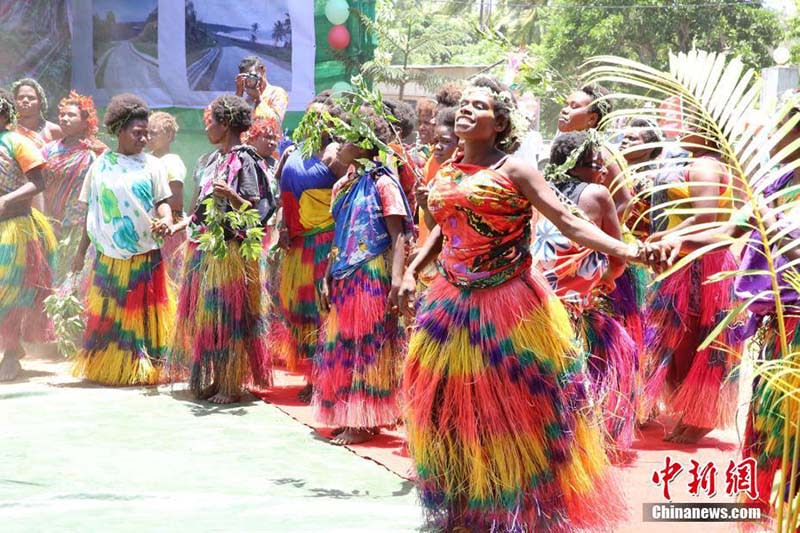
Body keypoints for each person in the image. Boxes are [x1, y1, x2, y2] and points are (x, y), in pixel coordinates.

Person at [398, 75, 637, 531]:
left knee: (509, 418)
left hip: (508, 307)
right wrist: (412, 271)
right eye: (464, 104)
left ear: (500, 122)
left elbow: (568, 221)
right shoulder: (447, 170)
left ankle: (518, 512)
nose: (466, 110)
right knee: (447, 412)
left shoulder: (516, 171)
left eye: (479, 106)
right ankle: (464, 505)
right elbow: (443, 230)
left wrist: (627, 250)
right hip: (449, 305)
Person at [646, 93, 800, 514]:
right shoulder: (775, 184)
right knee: (777, 427)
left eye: (781, 124)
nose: (771, 135)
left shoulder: (721, 171)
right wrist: (675, 239)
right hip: (780, 327)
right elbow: (730, 229)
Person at [312, 105, 414, 445]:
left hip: (370, 272)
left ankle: (362, 418)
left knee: (367, 345)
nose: (339, 142)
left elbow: (399, 234)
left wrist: (398, 279)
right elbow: (340, 233)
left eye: (347, 137)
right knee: (343, 345)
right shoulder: (343, 183)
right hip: (342, 272)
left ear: (365, 143)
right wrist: (327, 273)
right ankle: (349, 414)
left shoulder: (384, 182)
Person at [532, 131, 637, 452]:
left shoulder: (540, 190)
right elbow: (618, 256)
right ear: (582, 164)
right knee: (588, 369)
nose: (604, 172)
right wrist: (608, 278)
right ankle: (578, 444)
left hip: (534, 301)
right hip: (576, 307)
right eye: (598, 164)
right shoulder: (597, 194)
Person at [170, 94, 274, 404]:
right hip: (205, 251)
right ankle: (214, 379)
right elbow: (199, 208)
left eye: (212, 122)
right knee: (209, 320)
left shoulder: (247, 161)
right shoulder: (211, 160)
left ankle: (231, 384)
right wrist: (180, 226)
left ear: (226, 123)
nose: (208, 128)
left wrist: (231, 195)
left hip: (230, 252)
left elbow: (258, 213)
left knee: (229, 319)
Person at [642, 121, 742, 443]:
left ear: (711, 129)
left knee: (692, 337)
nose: (685, 127)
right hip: (695, 259)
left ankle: (699, 415)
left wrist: (666, 236)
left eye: (694, 122)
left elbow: (706, 217)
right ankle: (693, 412)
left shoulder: (704, 165)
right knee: (692, 338)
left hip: (699, 263)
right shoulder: (705, 162)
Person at [70, 94, 175, 386]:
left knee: (142, 316)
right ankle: (110, 366)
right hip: (108, 257)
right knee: (111, 315)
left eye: (147, 134)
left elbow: (163, 202)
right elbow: (91, 211)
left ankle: (143, 367)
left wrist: (166, 220)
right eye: (137, 133)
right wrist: (81, 252)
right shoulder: (100, 166)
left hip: (144, 255)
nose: (143, 139)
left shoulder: (153, 166)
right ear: (119, 130)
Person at [270, 100, 346, 402]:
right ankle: (311, 374)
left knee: (321, 314)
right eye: (310, 114)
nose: (314, 120)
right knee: (297, 311)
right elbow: (281, 197)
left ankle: (323, 379)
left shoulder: (335, 155)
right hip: (296, 244)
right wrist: (283, 227)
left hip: (323, 243)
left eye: (322, 117)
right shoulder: (292, 151)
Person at [0, 89, 56, 382]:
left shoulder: (17, 142)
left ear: (4, 115)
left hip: (14, 229)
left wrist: (8, 200)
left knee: (9, 293)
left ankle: (11, 351)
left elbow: (39, 181)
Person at [41, 91, 106, 269]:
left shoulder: (95, 152)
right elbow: (40, 187)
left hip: (80, 227)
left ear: (86, 121)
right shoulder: (48, 150)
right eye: (62, 114)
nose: (64, 118)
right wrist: (46, 220)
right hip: (49, 222)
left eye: (71, 115)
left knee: (74, 272)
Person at [557, 83, 632, 218]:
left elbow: (625, 203)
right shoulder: (567, 147)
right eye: (565, 105)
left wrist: (597, 234)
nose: (565, 110)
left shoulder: (599, 151)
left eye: (574, 107)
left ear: (592, 119)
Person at [147, 111, 187, 280]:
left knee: (166, 280)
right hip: (153, 227)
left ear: (169, 135)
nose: (148, 137)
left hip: (168, 232)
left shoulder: (170, 161)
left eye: (154, 133)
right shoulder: (146, 159)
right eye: (146, 132)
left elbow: (176, 202)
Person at [235, 55, 289, 126]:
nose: (249, 81)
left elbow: (276, 123)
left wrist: (259, 99)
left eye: (251, 76)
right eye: (246, 77)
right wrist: (238, 95)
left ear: (262, 70)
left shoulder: (277, 93)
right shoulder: (245, 99)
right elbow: (233, 125)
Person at [11, 78, 62, 148]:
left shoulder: (53, 130)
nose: (25, 100)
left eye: (31, 98)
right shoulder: (8, 128)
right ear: (15, 101)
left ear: (40, 102)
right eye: (20, 97)